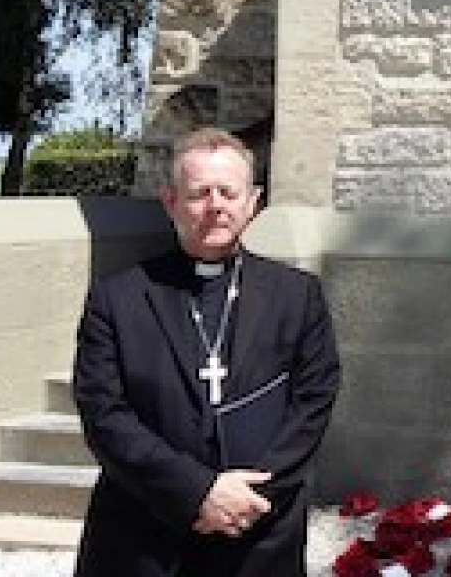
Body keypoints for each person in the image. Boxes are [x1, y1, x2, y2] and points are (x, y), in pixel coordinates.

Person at [72, 127, 341, 577]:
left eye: (228, 192)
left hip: (259, 533)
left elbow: (313, 403)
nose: (215, 205)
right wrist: (195, 493)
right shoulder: (118, 298)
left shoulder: (296, 296)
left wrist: (247, 500)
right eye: (199, 193)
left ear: (252, 201)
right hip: (144, 533)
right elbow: (104, 414)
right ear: (171, 201)